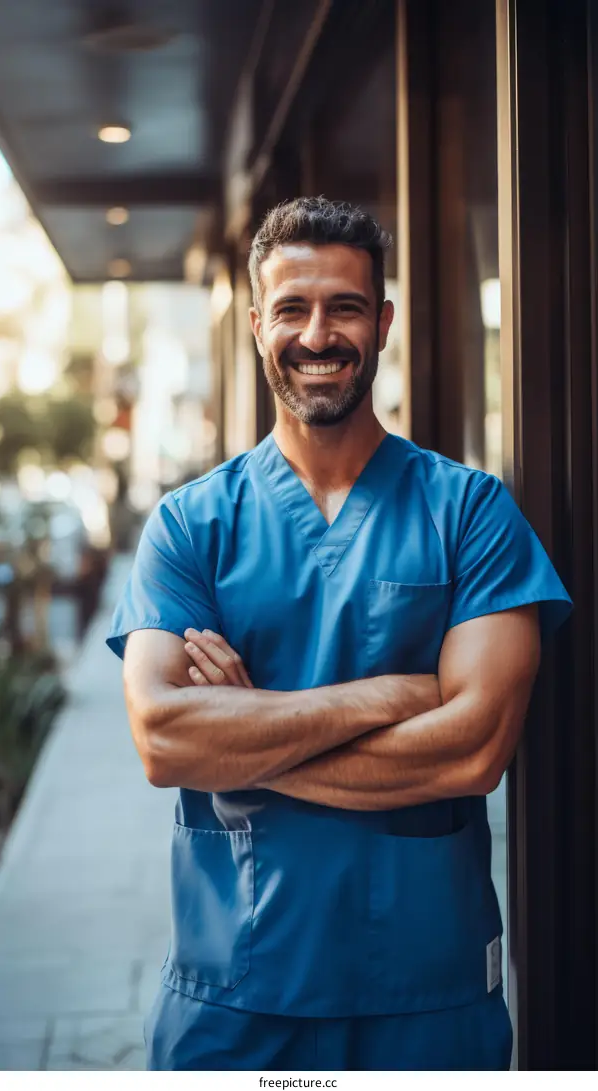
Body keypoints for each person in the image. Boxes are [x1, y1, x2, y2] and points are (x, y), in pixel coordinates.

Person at [106, 197, 572, 1071]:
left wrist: (246, 740)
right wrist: (385, 698)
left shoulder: (469, 513)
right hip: (232, 1001)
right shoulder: (190, 526)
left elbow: (473, 751)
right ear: (257, 325)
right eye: (292, 308)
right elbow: (166, 739)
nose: (317, 334)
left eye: (344, 307)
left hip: (425, 999)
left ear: (383, 321)